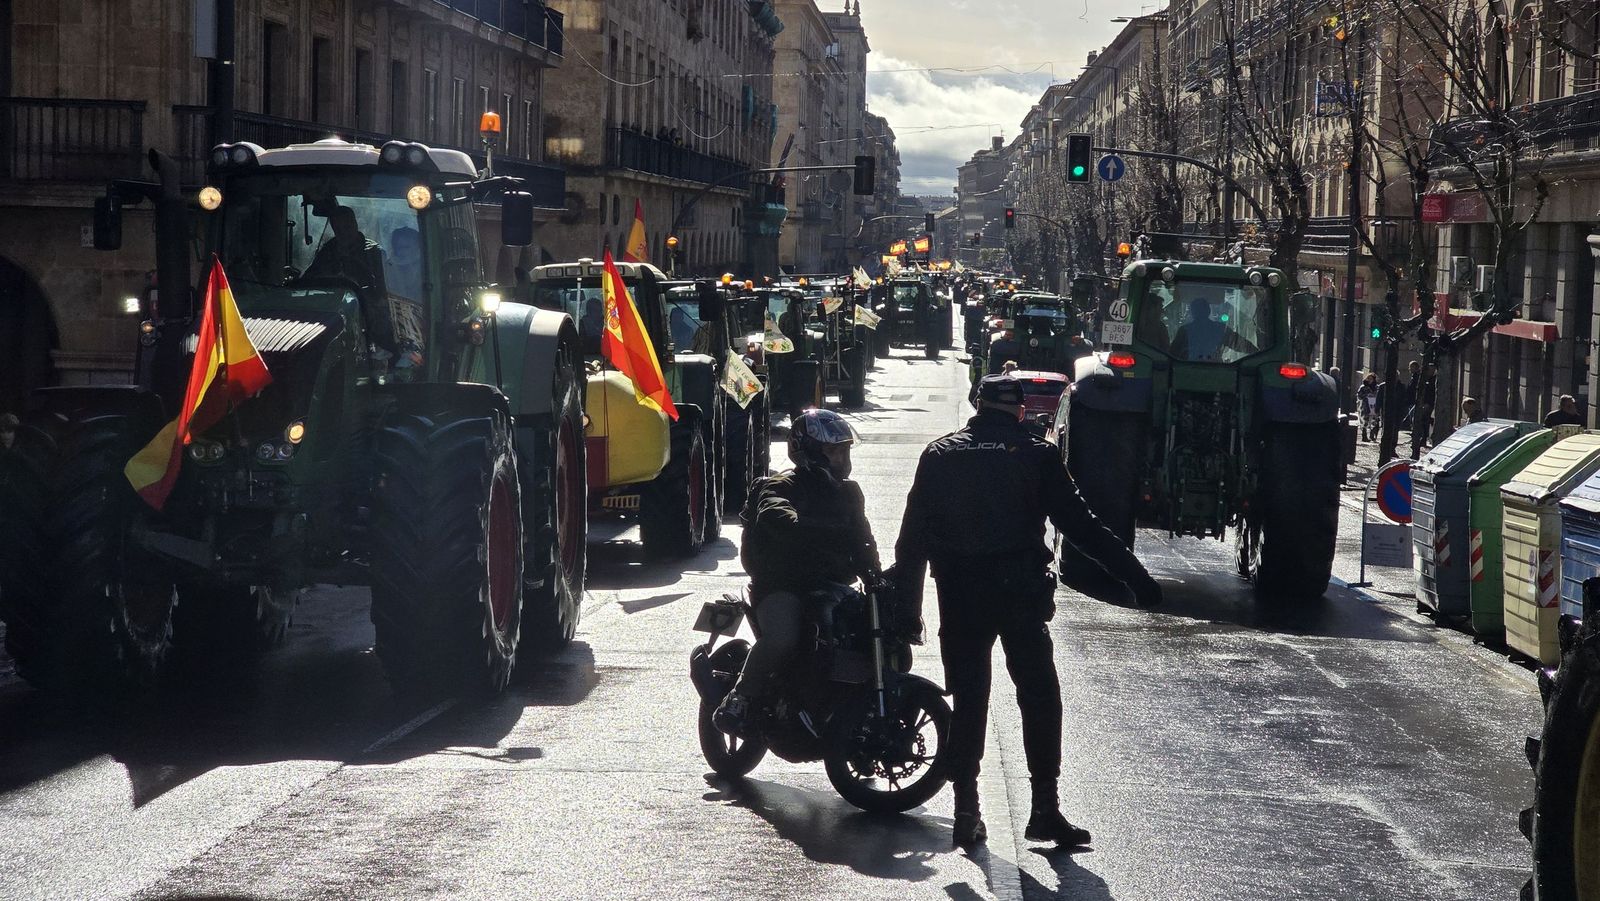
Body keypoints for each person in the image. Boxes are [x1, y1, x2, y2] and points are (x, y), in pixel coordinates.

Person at [896, 374, 1163, 850]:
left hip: (960, 597)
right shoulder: (1037, 454)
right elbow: (1081, 525)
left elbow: (912, 540)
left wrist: (907, 610)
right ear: (1020, 411)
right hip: (1018, 595)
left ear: (977, 406)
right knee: (1039, 697)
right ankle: (1044, 809)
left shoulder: (939, 455)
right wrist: (1135, 577)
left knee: (969, 700)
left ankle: (966, 810)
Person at [713, 408, 880, 736]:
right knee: (783, 637)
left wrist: (876, 574)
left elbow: (862, 538)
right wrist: (804, 525)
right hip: (782, 585)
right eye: (834, 451)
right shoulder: (780, 485)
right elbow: (773, 511)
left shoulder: (849, 493)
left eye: (845, 450)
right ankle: (740, 697)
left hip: (830, 585)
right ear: (810, 453)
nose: (842, 458)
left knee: (865, 629)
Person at [1170, 297, 1223, 361]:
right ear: (1208, 310)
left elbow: (1172, 353)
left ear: (1192, 312)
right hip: (1216, 368)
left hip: (1188, 368)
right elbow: (1237, 344)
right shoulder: (1219, 328)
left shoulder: (1184, 330)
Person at [1410, 362, 1437, 460]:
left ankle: (1424, 439)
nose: (1430, 371)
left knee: (1425, 421)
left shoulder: (1435, 379)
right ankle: (1420, 438)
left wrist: (1428, 404)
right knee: (1420, 421)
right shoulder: (1425, 378)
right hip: (1422, 403)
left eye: (1431, 369)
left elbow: (1432, 393)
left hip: (1428, 404)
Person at [1356, 372, 1381, 441]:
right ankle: (1364, 436)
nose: (1370, 380)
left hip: (1374, 406)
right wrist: (1366, 396)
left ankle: (1372, 435)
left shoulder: (1377, 387)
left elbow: (1379, 396)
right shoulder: (1363, 387)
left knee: (1374, 421)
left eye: (1371, 378)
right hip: (1365, 406)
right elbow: (1359, 395)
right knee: (1365, 420)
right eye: (1368, 378)